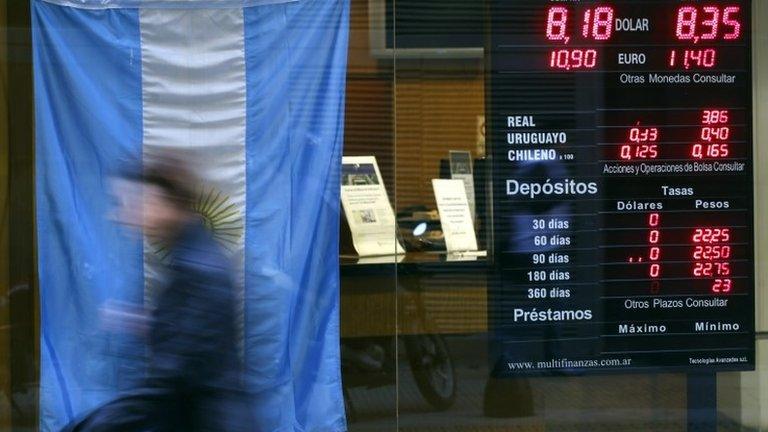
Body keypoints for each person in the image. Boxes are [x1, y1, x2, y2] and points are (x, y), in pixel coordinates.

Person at [63, 155, 251, 432]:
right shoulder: (191, 255)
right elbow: (191, 338)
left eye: (128, 203)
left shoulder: (197, 269)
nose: (119, 214)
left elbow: (172, 378)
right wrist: (143, 321)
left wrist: (92, 425)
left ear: (160, 203)